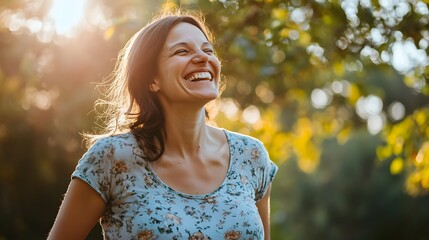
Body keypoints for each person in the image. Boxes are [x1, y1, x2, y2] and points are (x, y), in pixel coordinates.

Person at [48, 10, 278, 240]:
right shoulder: (112, 158)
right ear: (152, 80)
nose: (203, 57)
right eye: (182, 51)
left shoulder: (251, 156)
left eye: (208, 50)